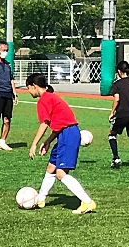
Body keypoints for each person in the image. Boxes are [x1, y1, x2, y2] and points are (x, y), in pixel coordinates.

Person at [26, 72, 97, 214]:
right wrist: (47, 142)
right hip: (65, 134)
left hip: (68, 135)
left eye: (28, 88)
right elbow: (59, 124)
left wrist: (34, 144)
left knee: (60, 173)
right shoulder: (51, 97)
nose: (28, 91)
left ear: (34, 86)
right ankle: (40, 198)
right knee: (51, 167)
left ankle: (87, 202)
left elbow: (44, 123)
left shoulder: (44, 100)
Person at [108, 60, 129, 169]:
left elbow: (117, 99)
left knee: (112, 133)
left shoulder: (117, 84)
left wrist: (112, 112)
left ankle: (116, 157)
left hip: (122, 114)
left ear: (119, 71)